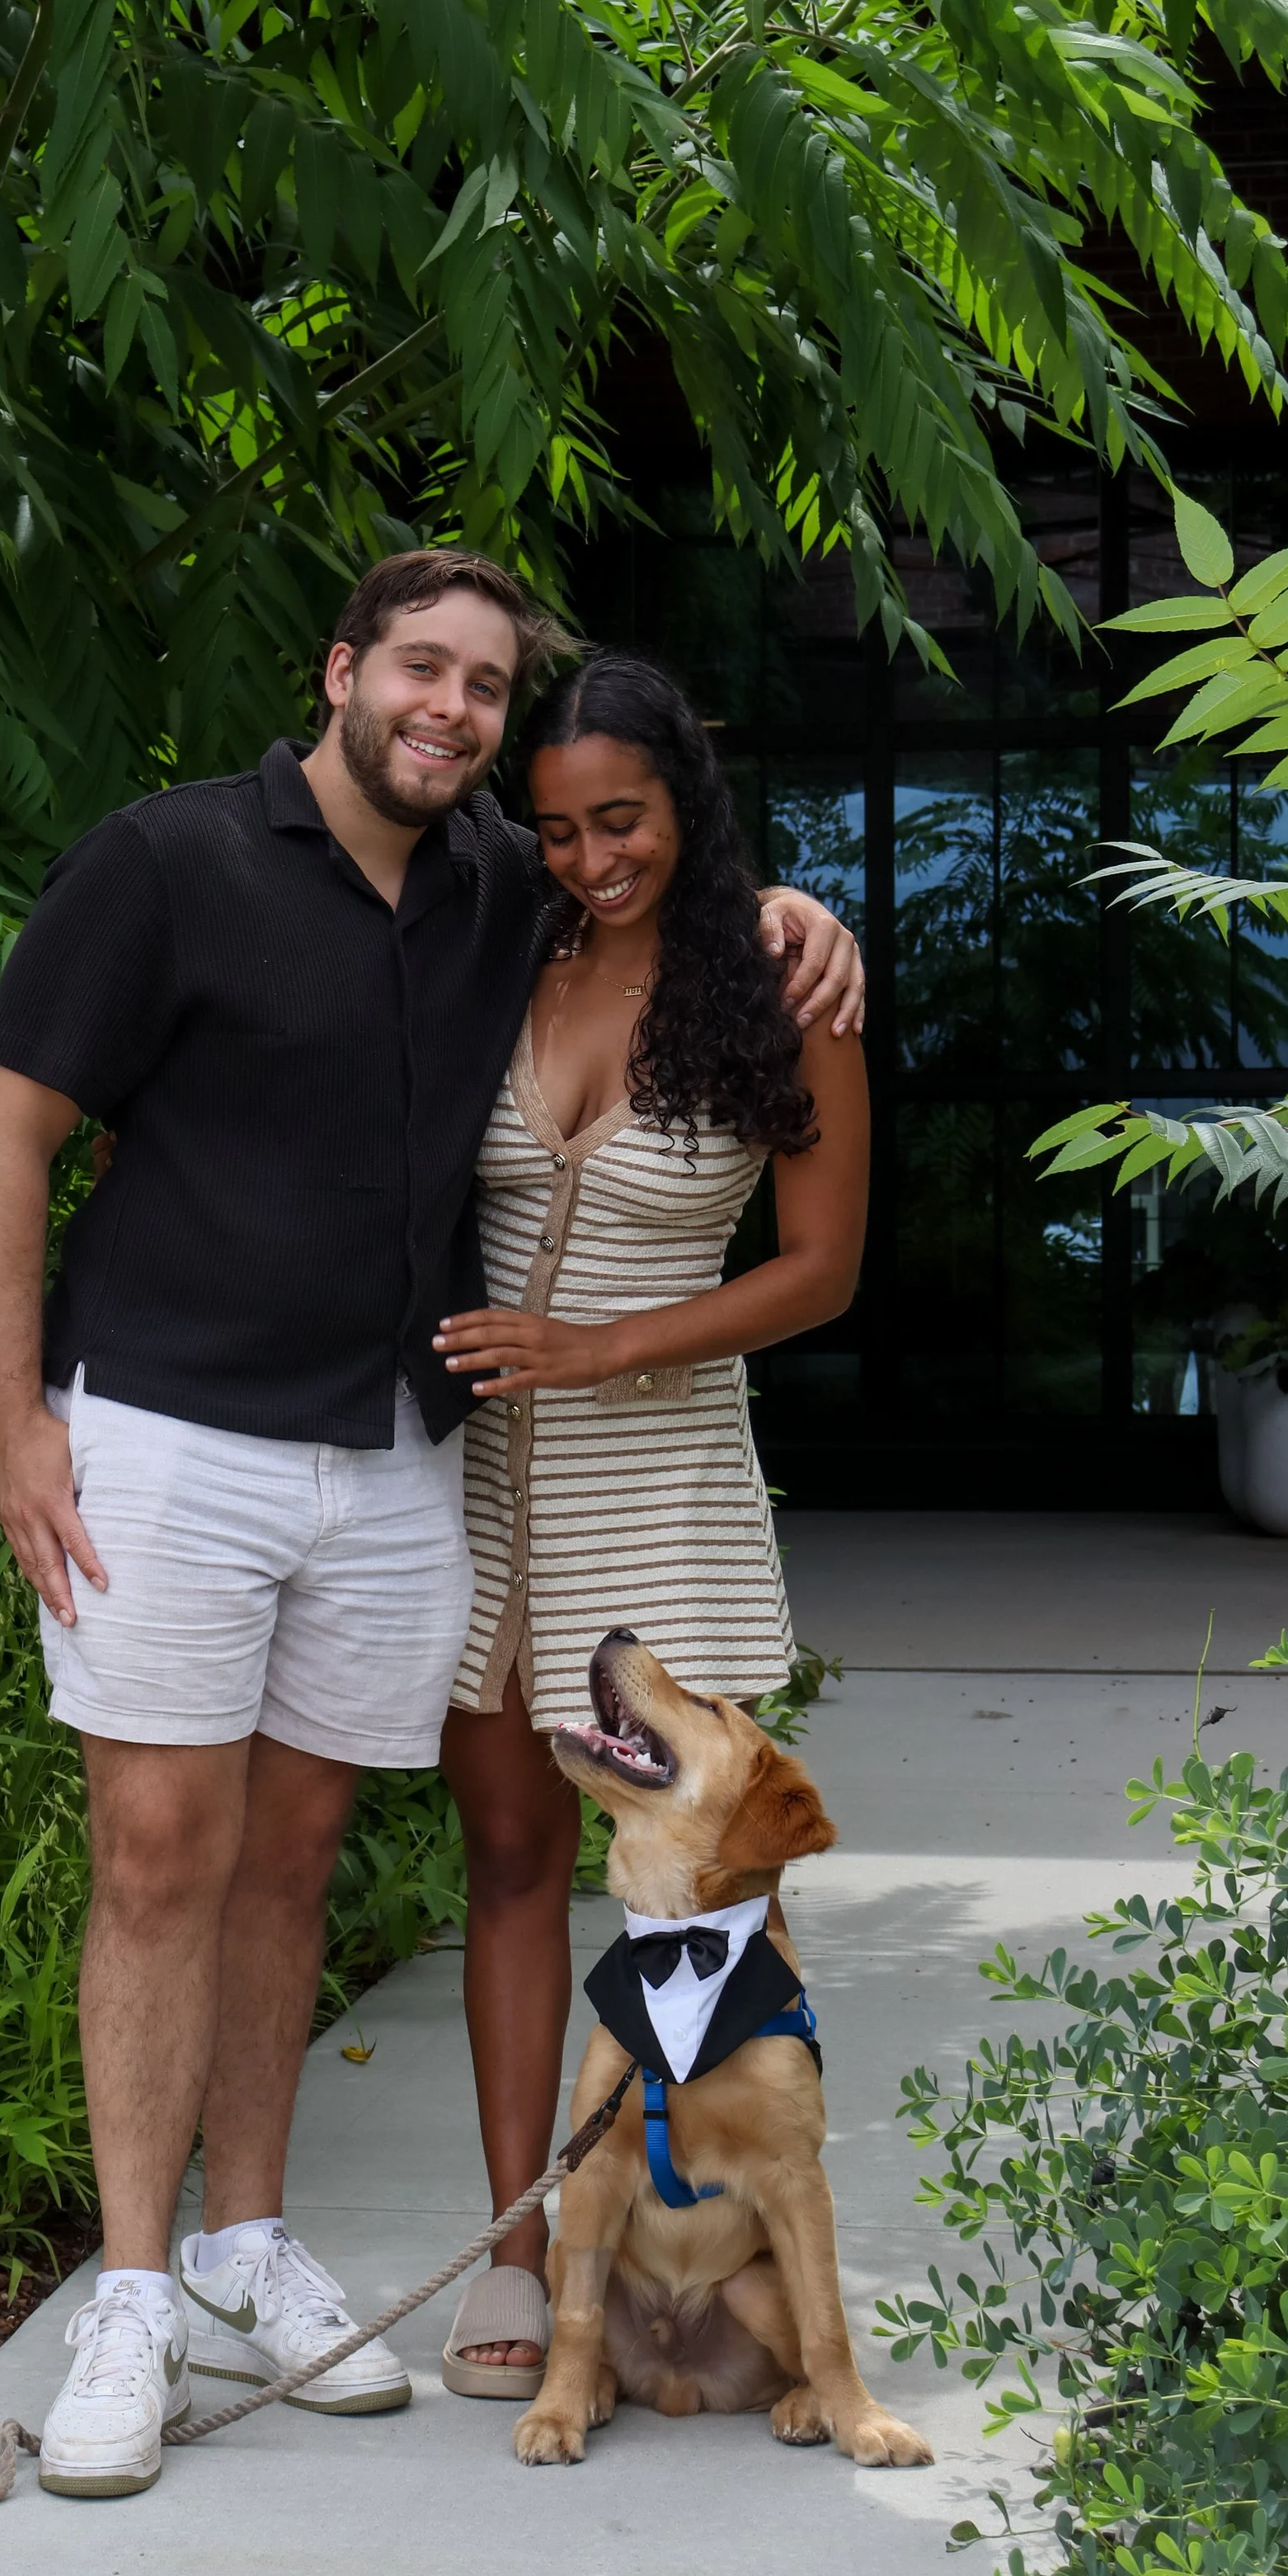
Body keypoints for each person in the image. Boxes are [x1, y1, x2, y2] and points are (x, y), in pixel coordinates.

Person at [0, 553, 863, 2498]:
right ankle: (308, 2280)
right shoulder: (294, 881)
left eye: (488, 690)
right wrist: (13, 1421)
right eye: (427, 676)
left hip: (512, 1468)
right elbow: (9, 1122)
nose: (460, 720)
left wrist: (792, 907)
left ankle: (501, 2250)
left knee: (483, 1877)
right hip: (304, 1454)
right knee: (299, 1858)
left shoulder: (628, 935)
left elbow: (803, 1220)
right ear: (344, 667)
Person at [429, 651, 870, 2395]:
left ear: (683, 798)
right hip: (485, 1494)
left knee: (709, 1904)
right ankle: (522, 2254)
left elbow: (819, 1272)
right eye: (549, 828)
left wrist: (592, 1346)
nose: (587, 857)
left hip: (659, 1487)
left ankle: (734, 2238)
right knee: (512, 1869)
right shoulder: (498, 952)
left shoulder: (782, 980)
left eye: (618, 819)